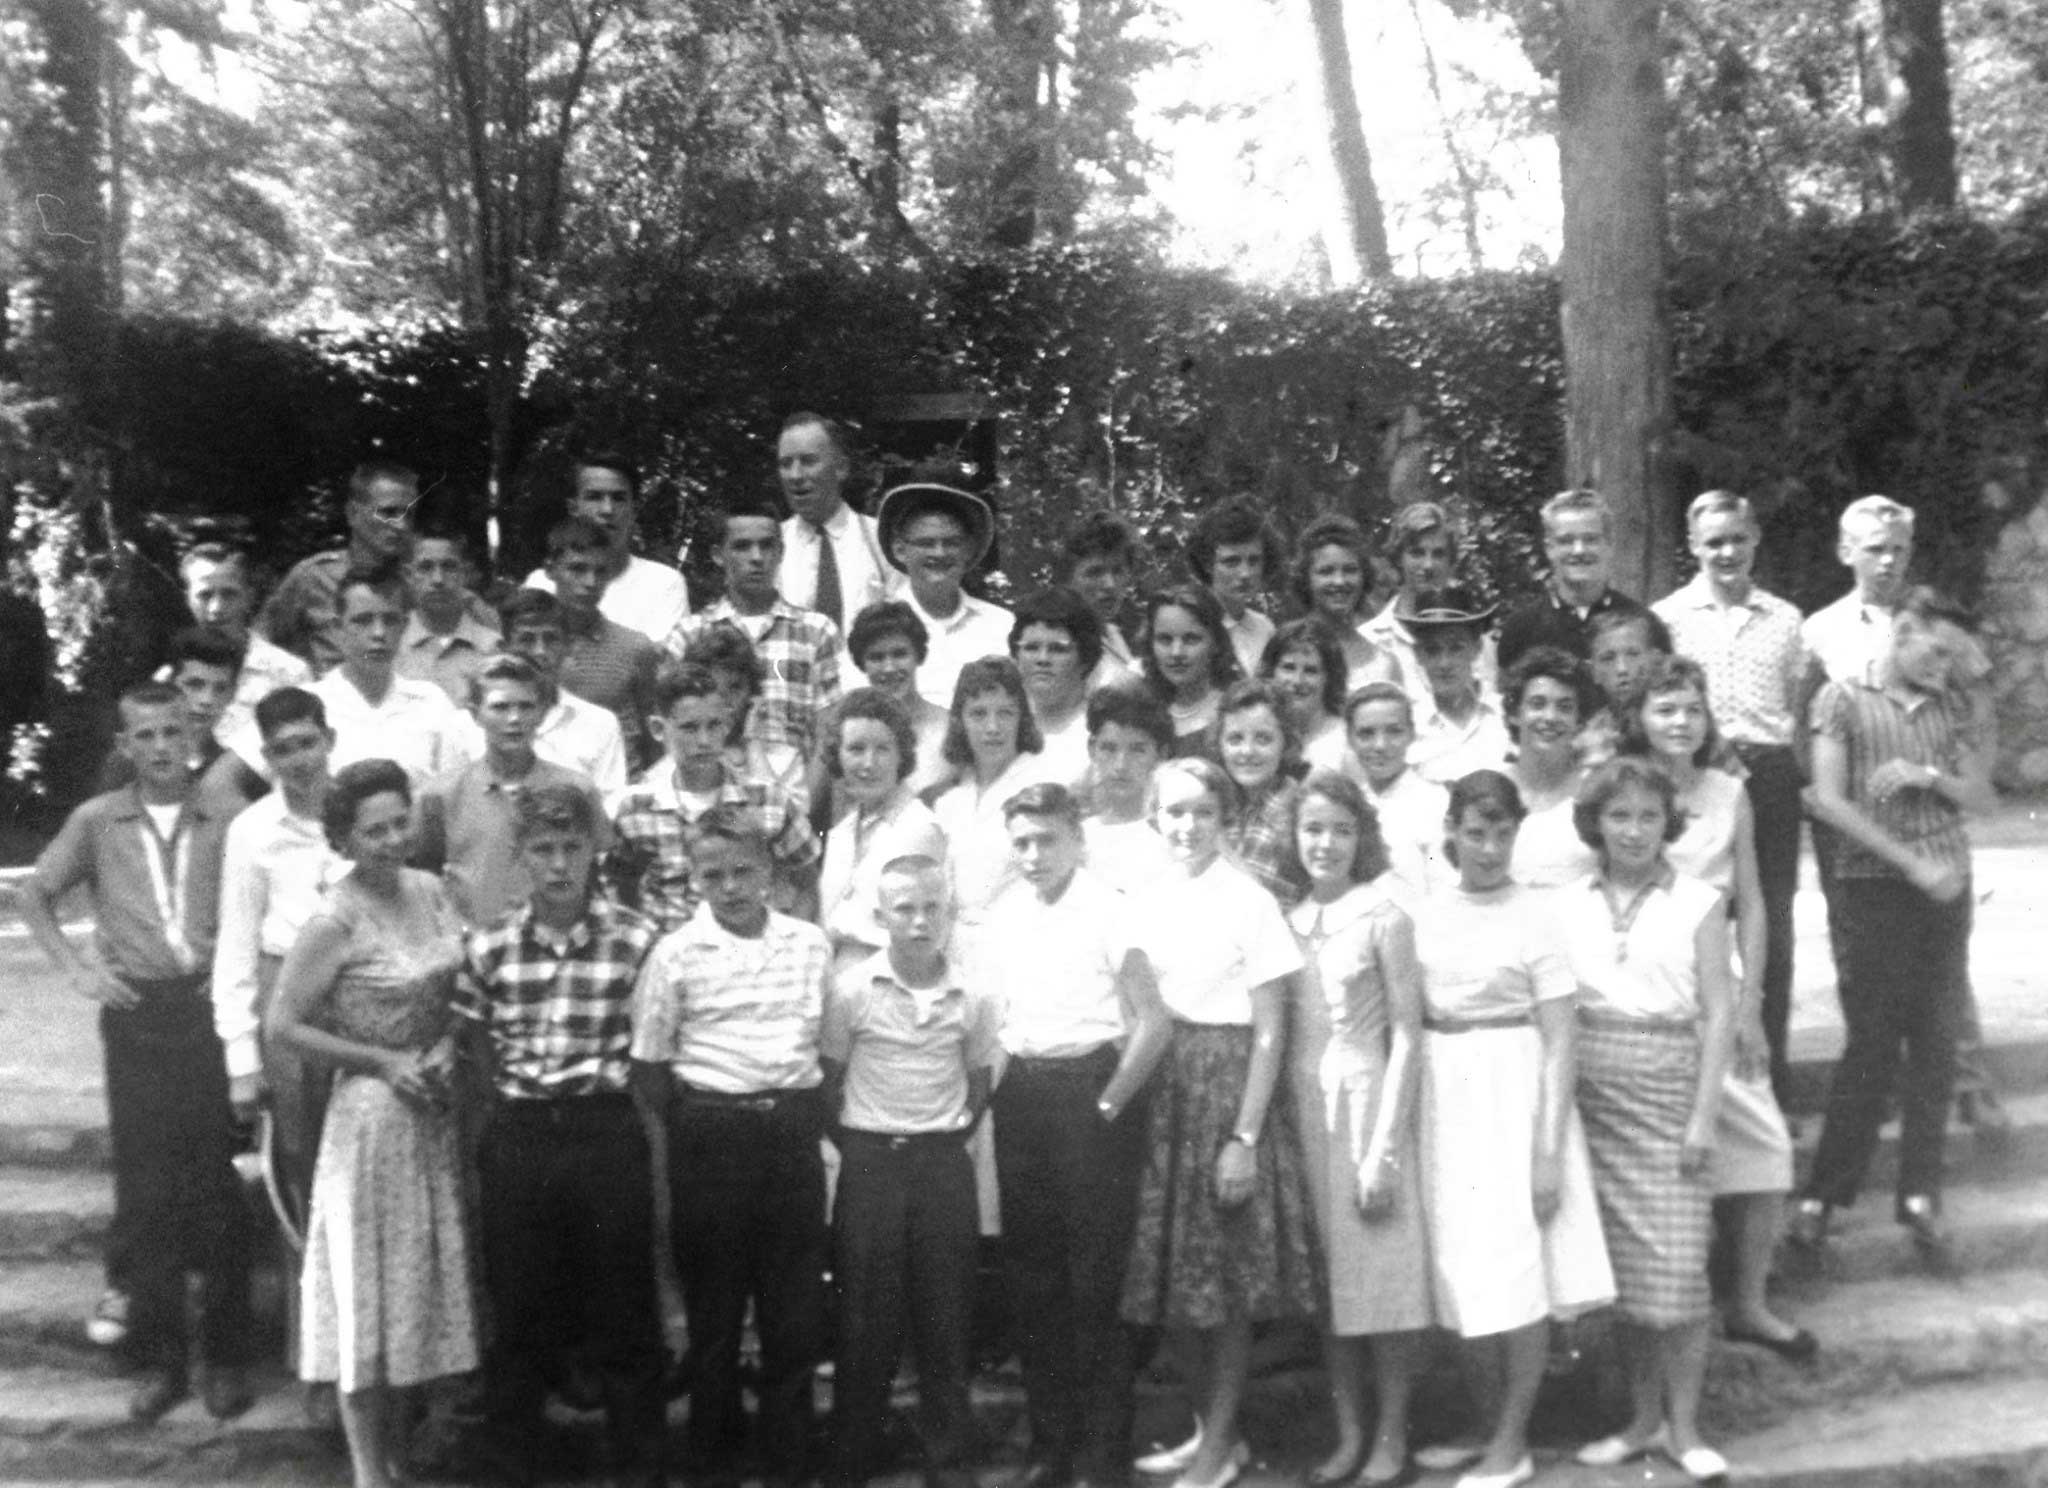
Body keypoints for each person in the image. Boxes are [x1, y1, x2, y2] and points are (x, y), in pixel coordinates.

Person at [21, 681, 257, 1423]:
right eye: (145, 735)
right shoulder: (98, 819)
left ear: (195, 735)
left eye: (173, 732)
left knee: (220, 1188)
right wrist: (77, 968)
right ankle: (160, 1361)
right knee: (149, 1190)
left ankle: (223, 1357)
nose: (161, 747)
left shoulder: (230, 819)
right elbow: (35, 893)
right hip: (139, 1018)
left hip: (209, 1010)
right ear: (125, 746)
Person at [266, 760, 478, 1488]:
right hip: (369, 1122)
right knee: (365, 1295)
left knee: (415, 1289)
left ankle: (401, 1451)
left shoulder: (433, 890)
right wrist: (382, 1062)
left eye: (400, 823)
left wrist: (447, 1044)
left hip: (433, 1112)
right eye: (373, 830)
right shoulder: (336, 918)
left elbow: (461, 990)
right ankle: (368, 1473)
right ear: (343, 838)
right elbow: (283, 1024)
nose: (392, 840)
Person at [457, 785, 667, 1488]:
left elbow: (650, 1046)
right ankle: (519, 1463)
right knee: (519, 1306)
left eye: (571, 848)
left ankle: (639, 1465)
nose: (558, 866)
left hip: (603, 1129)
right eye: (542, 850)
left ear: (593, 851)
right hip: (521, 1134)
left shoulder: (638, 939)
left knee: (625, 1304)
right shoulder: (488, 945)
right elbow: (478, 1046)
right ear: (520, 858)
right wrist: (511, 1114)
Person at [1407, 770, 1613, 1488]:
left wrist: (1548, 1150)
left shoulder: (1537, 915)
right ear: (1452, 836)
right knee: (1459, 1272)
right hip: (1444, 1098)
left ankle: (1513, 1439)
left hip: (1515, 1095)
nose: (1489, 848)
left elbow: (1561, 1039)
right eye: (1475, 832)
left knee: (1516, 1270)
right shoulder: (1425, 911)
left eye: (1501, 832)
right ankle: (1487, 1424)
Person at [1120, 758, 1317, 1488]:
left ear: (1226, 820)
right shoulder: (1142, 899)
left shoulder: (1250, 900)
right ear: (1153, 818)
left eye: (1204, 811)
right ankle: (1211, 1433)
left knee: (1225, 1287)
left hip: (1227, 1090)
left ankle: (1220, 1442)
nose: (1188, 826)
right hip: (1163, 1096)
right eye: (1174, 811)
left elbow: (1271, 1028)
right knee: (1172, 1281)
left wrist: (1244, 1137)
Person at [632, 806, 832, 1488]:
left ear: (771, 874)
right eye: (712, 874)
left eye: (744, 871)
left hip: (790, 1138)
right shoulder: (673, 954)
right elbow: (651, 1068)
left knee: (792, 1313)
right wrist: (697, 1130)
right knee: (715, 1316)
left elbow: (825, 1049)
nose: (730, 887)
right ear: (693, 879)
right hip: (711, 1138)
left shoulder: (809, 944)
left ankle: (790, 1461)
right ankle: (713, 1460)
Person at [1795, 588, 1994, 1270]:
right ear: (1902, 632)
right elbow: (1826, 800)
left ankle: (1919, 1196)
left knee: (1936, 1041)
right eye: (1936, 651)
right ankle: (1824, 1196)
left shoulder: (1951, 705)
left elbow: (1983, 796)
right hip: (1874, 889)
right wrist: (1910, 864)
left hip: (1945, 890)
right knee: (1872, 1042)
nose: (1945, 666)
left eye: (1954, 656)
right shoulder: (1842, 699)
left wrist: (1927, 774)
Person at [1622, 657, 1814, 1362]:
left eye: (1691, 710)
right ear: (1640, 717)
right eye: (1665, 709)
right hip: (1642, 977)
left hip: (1718, 981)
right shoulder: (1622, 784)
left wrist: (1752, 1005)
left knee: (1763, 1144)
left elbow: (1754, 906)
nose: (1680, 722)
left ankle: (1750, 1303)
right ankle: (1657, 1307)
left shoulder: (1731, 790)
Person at [986, 783, 1172, 1488]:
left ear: (1077, 839)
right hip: (1023, 1097)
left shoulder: (1109, 910)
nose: (1033, 855)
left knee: (1095, 1284)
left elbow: (1153, 1023)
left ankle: (1103, 1457)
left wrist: (1105, 1106)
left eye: (1047, 840)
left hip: (1090, 1096)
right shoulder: (1005, 913)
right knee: (1033, 1281)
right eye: (1022, 842)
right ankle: (1050, 1448)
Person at [1800, 495, 2005, 1131]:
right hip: (1857, 828)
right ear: (1846, 553)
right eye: (1873, 549)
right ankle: (1879, 1077)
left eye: (1897, 549)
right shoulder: (1820, 631)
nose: (1887, 561)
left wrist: (1949, 781)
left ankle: (1966, 1078)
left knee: (1944, 956)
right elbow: (1806, 723)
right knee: (1859, 957)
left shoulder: (1937, 626)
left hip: (1927, 813)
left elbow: (1979, 713)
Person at [1558, 759, 1737, 1485]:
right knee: (1627, 1283)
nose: (1633, 831)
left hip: (1669, 1094)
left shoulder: (1700, 901)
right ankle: (1639, 1422)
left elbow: (1720, 1012)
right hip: (1590, 1098)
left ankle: (1684, 1427)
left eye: (1648, 817)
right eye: (1619, 816)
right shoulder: (1566, 902)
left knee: (1679, 1273)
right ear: (1596, 823)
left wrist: (1702, 1117)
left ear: (1669, 824)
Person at [821, 854, 999, 1488]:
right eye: (906, 909)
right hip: (871, 1165)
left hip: (941, 1166)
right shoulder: (850, 992)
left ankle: (947, 1458)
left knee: (947, 1313)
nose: (921, 922)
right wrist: (869, 1140)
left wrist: (943, 1133)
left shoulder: (971, 994)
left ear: (948, 914)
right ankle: (854, 1455)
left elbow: (979, 1082)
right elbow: (829, 1084)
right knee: (865, 1316)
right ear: (881, 916)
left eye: (933, 908)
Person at [1283, 772, 1431, 1488]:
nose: (1326, 843)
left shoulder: (1384, 915)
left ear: (1361, 838)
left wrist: (1384, 1149)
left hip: (1366, 1099)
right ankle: (1348, 1435)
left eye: (1341, 830)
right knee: (1331, 1284)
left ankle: (1393, 1435)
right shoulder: (1287, 919)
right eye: (1313, 829)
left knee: (1380, 1275)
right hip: (1302, 1105)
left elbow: (1408, 1035)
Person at [1653, 490, 1810, 1107]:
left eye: (1736, 539)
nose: (1726, 552)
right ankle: (1696, 1068)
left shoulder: (1786, 618)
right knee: (1699, 913)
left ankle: (1767, 1072)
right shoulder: (1668, 618)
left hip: (1768, 777)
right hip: (1698, 767)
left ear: (1754, 541)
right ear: (1693, 546)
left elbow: (1794, 708)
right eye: (1712, 541)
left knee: (1772, 918)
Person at [213, 689, 347, 1337]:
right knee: (300, 1166)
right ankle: (312, 1346)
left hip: (358, 995)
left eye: (307, 742)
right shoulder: (252, 832)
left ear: (330, 739)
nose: (297, 759)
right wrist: (242, 1059)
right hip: (286, 997)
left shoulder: (362, 811)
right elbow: (235, 948)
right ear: (265, 758)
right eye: (281, 749)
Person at [607, 661, 822, 932]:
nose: (704, 740)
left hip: (752, 955)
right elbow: (619, 889)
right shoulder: (636, 811)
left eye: (714, 725)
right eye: (689, 728)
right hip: (670, 956)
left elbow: (807, 881)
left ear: (728, 724)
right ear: (659, 729)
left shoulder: (768, 802)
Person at [412, 655, 610, 930]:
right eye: (500, 707)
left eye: (526, 707)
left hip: (555, 939)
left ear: (542, 712)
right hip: (472, 946)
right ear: (475, 713)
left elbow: (594, 869)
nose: (514, 719)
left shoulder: (577, 789)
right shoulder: (441, 794)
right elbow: (421, 877)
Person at [667, 493, 844, 762]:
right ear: (718, 555)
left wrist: (804, 802)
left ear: (781, 552)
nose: (757, 557)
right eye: (742, 546)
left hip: (794, 789)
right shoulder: (689, 636)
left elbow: (828, 736)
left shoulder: (816, 632)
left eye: (767, 546)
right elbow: (672, 731)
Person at [818, 688, 949, 983]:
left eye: (882, 749)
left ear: (901, 755)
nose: (868, 763)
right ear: (838, 756)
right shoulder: (842, 832)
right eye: (856, 749)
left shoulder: (919, 828)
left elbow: (921, 940)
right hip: (838, 985)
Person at [309, 560, 473, 787]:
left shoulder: (432, 703)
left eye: (390, 620)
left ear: (404, 627)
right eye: (363, 621)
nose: (379, 633)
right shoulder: (309, 704)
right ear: (338, 628)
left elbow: (457, 792)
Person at [930, 656, 1054, 937]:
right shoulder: (948, 802)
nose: (992, 728)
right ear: (960, 721)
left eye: (1006, 713)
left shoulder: (1043, 787)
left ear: (1022, 718)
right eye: (978, 714)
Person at [258, 459, 422, 672]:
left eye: (408, 514)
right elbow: (261, 647)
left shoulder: (415, 586)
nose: (401, 525)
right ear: (353, 513)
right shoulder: (312, 577)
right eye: (388, 513)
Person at [523, 451, 690, 645]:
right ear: (573, 507)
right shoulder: (541, 583)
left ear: (634, 508)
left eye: (618, 498)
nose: (607, 510)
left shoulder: (664, 584)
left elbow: (659, 664)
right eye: (594, 497)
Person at [541, 514, 665, 769]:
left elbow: (654, 739)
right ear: (551, 569)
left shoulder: (634, 648)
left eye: (600, 572)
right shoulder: (532, 645)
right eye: (577, 569)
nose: (590, 582)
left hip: (617, 788)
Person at [877, 482, 1014, 710]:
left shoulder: (1003, 625)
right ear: (900, 550)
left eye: (951, 543)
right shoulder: (876, 627)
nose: (939, 553)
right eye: (926, 543)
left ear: (968, 549)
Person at [1496, 489, 1654, 673]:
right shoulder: (1521, 631)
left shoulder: (1644, 625)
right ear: (1549, 548)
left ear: (1609, 545)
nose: (1579, 550)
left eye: (1590, 539)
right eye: (1566, 541)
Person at [492, 588, 630, 800]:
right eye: (527, 640)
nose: (540, 651)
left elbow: (609, 809)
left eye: (550, 639)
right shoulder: (468, 726)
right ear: (504, 648)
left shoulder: (600, 724)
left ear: (569, 646)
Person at [1358, 502, 1497, 700]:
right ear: (1399, 558)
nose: (1428, 565)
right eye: (1417, 553)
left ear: (1451, 562)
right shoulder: (1371, 639)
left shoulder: (1478, 642)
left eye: (1438, 554)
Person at [178, 540, 312, 745]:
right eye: (204, 595)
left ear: (249, 597)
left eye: (229, 594)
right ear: (187, 598)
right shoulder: (169, 670)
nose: (216, 608)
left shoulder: (288, 673)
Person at [777, 413, 899, 635]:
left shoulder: (881, 542)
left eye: (808, 461)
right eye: (786, 464)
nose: (795, 475)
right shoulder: (771, 547)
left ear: (841, 468)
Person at [1336, 683, 1451, 903]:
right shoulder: (1347, 806)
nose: (1380, 745)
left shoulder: (1435, 804)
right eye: (1366, 734)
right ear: (1350, 739)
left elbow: (1445, 893)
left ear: (1411, 734)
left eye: (1394, 731)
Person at [1500, 645, 1600, 892]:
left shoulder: (1598, 791)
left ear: (1579, 721)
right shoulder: (1492, 787)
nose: (1550, 717)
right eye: (1537, 704)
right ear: (1515, 713)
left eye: (1565, 707)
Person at [1396, 589, 1509, 786]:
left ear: (1477, 648)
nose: (1444, 663)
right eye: (1433, 650)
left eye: (1456, 648)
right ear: (1417, 654)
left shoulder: (1506, 715)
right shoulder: (1405, 725)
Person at [844, 599, 954, 800]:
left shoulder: (950, 727)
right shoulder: (850, 734)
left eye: (899, 654)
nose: (889, 668)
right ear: (862, 663)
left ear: (918, 655)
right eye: (877, 658)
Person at [1212, 678, 1306, 905]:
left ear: (1286, 743)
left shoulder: (1299, 810)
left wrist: (1216, 843)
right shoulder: (1217, 804)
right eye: (1235, 739)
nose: (1247, 751)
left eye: (1263, 739)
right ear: (1219, 744)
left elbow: (1264, 905)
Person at [1081, 686, 1177, 895]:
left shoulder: (1174, 835)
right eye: (1109, 748)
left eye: (1137, 750)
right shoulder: (1078, 834)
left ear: (1161, 754)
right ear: (1092, 748)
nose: (1121, 765)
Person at [1009, 587, 1104, 790]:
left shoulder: (1104, 731)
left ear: (1085, 659)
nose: (1042, 659)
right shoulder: (1003, 727)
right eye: (1031, 647)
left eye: (1058, 649)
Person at [395, 526, 501, 706]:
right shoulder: (391, 643)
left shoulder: (492, 648)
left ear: (465, 573)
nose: (438, 579)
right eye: (425, 567)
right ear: (408, 575)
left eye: (449, 567)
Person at [1289, 514, 1397, 690]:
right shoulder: (1285, 649)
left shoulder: (1383, 660)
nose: (1339, 581)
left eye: (1350, 570)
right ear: (1306, 579)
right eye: (1326, 571)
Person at [1138, 584, 1242, 758]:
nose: (1176, 652)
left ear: (1215, 643)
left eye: (1191, 639)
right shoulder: (1140, 712)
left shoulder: (1235, 712)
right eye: (1165, 640)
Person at [1186, 496, 1282, 679]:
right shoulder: (1189, 623)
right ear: (1207, 563)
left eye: (1253, 561)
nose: (1245, 573)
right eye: (1231, 562)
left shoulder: (1264, 629)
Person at [1058, 510, 1144, 686]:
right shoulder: (1057, 646)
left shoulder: (1115, 636)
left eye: (1118, 571)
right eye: (1094, 572)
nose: (1109, 584)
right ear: (1068, 578)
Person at [1258, 618, 1349, 771]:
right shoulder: (1258, 734)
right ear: (1271, 672)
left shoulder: (1345, 741)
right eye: (1288, 668)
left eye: (1310, 671)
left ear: (1330, 677)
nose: (1297, 681)